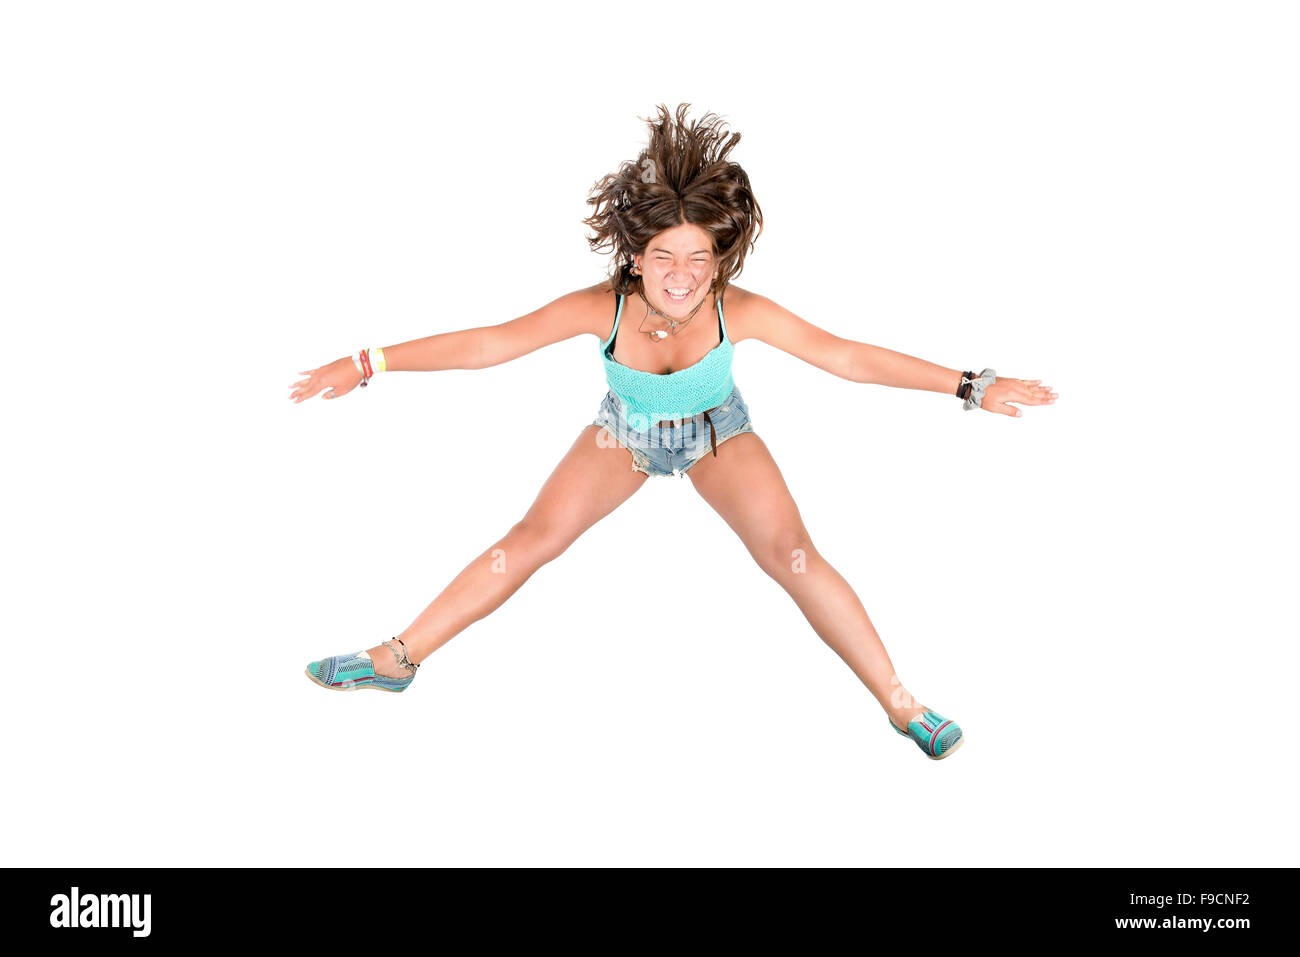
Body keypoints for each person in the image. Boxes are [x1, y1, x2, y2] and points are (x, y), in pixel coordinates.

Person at [289, 103, 1058, 760]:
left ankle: (901, 702)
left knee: (794, 556)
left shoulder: (737, 307)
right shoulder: (605, 306)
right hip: (620, 436)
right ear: (635, 255)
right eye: (665, 256)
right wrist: (370, 360)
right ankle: (397, 657)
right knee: (524, 541)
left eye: (701, 256)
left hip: (720, 435)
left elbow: (847, 357)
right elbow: (493, 343)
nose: (685, 274)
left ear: (720, 255)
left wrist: (969, 384)